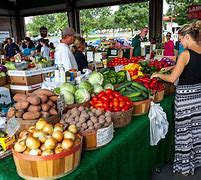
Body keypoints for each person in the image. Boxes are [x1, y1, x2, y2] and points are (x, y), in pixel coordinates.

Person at [151, 22, 201, 176]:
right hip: (198, 97)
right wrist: (172, 67)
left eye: (180, 40)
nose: (180, 43)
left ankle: (185, 165)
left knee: (184, 132)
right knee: (195, 130)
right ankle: (196, 160)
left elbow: (172, 79)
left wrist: (159, 74)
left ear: (187, 37)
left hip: (185, 99)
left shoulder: (185, 54)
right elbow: (191, 68)